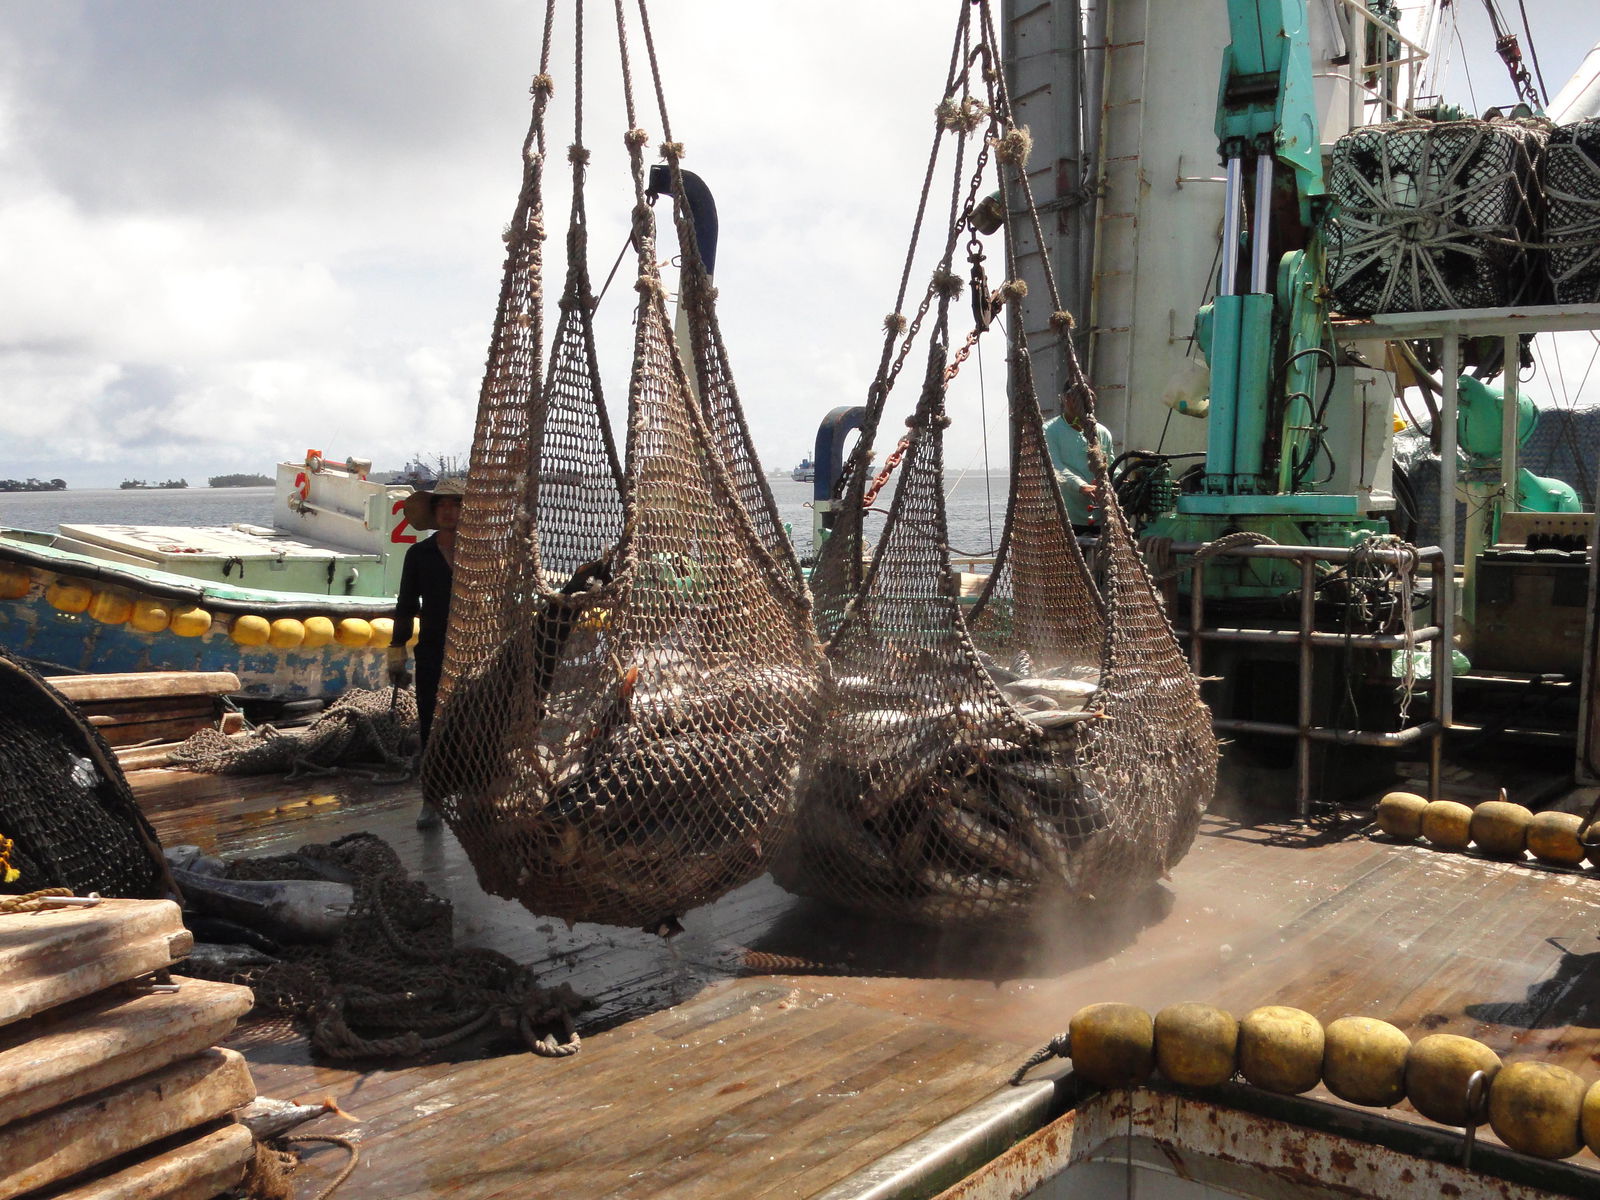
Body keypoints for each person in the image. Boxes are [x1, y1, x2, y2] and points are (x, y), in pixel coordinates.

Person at [388, 477, 465, 829]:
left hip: (473, 649)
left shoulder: (479, 553)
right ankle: (431, 799)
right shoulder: (418, 555)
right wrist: (396, 651)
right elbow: (405, 605)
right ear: (434, 512)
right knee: (432, 723)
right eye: (443, 505)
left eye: (456, 505)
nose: (449, 511)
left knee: (476, 722)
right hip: (433, 650)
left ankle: (476, 793)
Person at [1042, 389, 1114, 536]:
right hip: (1063, 518)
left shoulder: (1102, 433)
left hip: (1100, 519)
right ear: (1066, 398)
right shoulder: (1049, 430)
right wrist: (1081, 486)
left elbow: (1111, 467)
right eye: (1073, 396)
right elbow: (1054, 466)